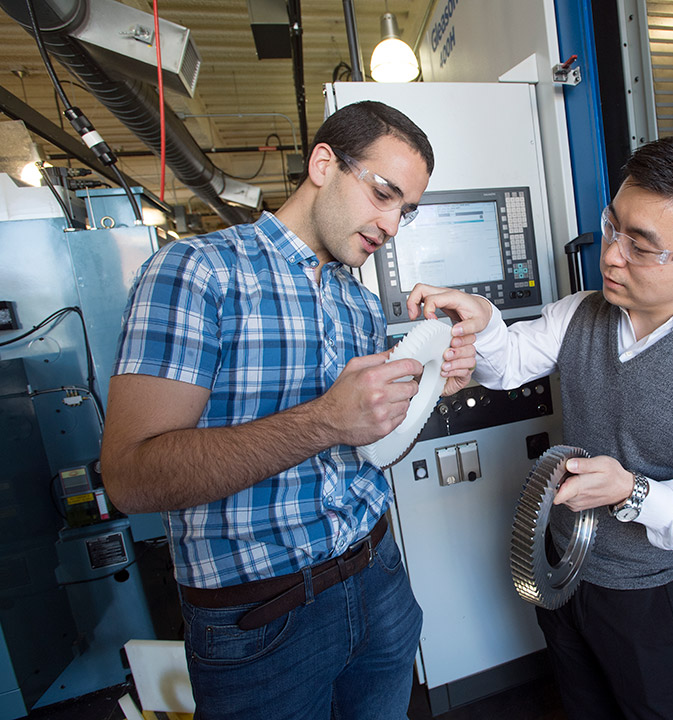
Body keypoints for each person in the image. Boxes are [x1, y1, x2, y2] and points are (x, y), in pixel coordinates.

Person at [101, 101, 476, 720]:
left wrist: (428, 389)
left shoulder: (356, 303)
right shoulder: (196, 272)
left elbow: (372, 446)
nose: (390, 224)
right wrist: (324, 420)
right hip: (261, 617)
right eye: (383, 194)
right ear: (324, 164)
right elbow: (131, 477)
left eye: (404, 211)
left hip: (377, 576)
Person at [407, 134, 673, 719]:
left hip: (649, 596)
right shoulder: (582, 311)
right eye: (614, 227)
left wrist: (632, 491)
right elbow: (509, 361)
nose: (611, 254)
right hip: (565, 567)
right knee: (582, 704)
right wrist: (484, 323)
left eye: (642, 247)